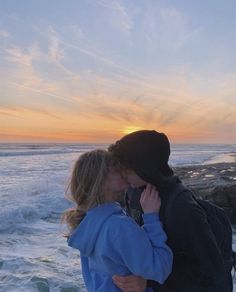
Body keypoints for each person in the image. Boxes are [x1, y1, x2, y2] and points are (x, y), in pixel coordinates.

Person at [109, 130, 232, 292]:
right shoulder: (134, 191)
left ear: (144, 167)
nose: (123, 175)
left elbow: (211, 272)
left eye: (127, 170)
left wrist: (149, 282)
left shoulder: (181, 206)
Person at [63, 149, 173, 292]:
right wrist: (151, 218)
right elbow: (159, 269)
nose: (124, 172)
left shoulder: (86, 225)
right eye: (116, 170)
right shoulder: (119, 226)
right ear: (101, 182)